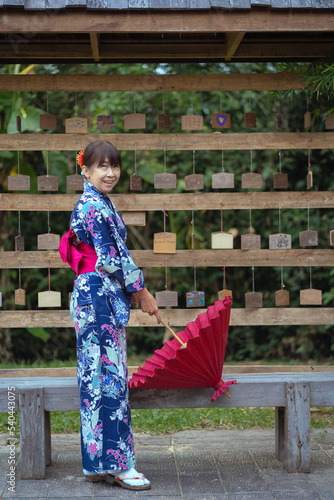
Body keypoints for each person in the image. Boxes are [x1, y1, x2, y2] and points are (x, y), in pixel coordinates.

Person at [59, 139, 161, 491]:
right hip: (98, 297)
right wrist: (142, 292)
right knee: (109, 380)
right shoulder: (94, 206)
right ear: (83, 169)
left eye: (114, 165)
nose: (111, 172)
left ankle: (97, 463)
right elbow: (113, 258)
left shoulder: (98, 202)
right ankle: (119, 466)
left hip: (95, 297)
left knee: (97, 379)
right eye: (102, 166)